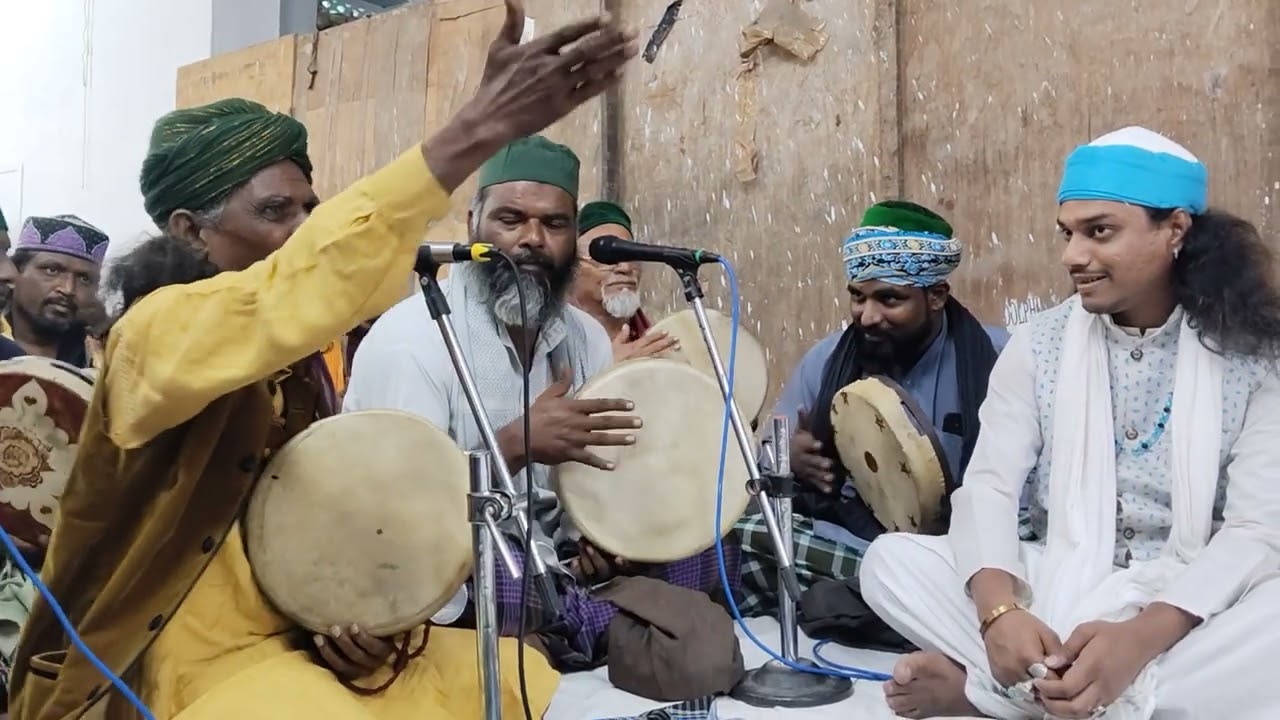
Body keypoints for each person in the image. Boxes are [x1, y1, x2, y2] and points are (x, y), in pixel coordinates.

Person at [8, 4, 639, 718]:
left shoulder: (294, 357)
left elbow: (329, 518)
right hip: (172, 659)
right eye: (277, 212)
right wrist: (476, 131)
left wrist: (358, 623)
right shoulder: (155, 337)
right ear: (190, 231)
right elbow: (305, 283)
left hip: (296, 636)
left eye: (312, 209)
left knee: (512, 675)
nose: (303, 231)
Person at [859, 127, 1280, 719]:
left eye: (1099, 231)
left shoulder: (1256, 355)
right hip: (1061, 577)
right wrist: (1000, 613)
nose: (1072, 256)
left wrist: (1136, 642)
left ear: (1176, 231)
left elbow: (1255, 532)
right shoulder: (1039, 345)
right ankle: (1093, 696)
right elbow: (989, 491)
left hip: (1187, 602)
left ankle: (990, 697)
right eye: (1067, 232)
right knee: (889, 564)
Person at [344, 135, 737, 669]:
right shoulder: (412, 344)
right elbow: (395, 517)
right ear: (473, 225)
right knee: (515, 588)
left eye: (554, 224)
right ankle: (578, 633)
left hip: (558, 559)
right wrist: (514, 446)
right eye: (511, 219)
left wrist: (605, 537)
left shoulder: (585, 338)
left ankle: (573, 632)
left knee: (707, 536)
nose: (532, 239)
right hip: (464, 563)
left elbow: (600, 479)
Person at [733, 201, 1010, 617]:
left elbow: (1028, 488)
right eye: (858, 298)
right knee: (746, 535)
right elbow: (763, 463)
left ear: (935, 296)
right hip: (849, 539)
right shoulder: (828, 359)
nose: (867, 316)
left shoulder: (998, 359)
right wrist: (788, 458)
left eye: (889, 299)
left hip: (959, 547)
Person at [570, 200, 677, 361]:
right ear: (571, 267)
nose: (625, 268)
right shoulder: (546, 343)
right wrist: (605, 368)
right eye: (607, 256)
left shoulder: (662, 340)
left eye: (631, 256)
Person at [3, 215, 107, 369]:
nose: (68, 289)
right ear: (16, 271)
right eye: (52, 270)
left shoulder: (103, 357)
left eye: (84, 279)